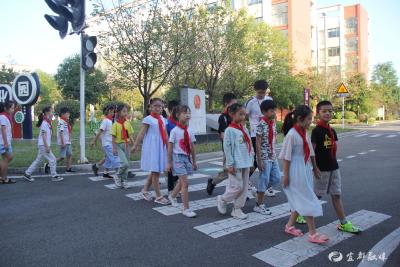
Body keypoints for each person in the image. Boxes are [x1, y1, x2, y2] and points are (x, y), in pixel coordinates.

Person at [279, 105, 329, 244]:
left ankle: (289, 226)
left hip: (304, 168)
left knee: (300, 199)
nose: (310, 122)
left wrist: (315, 167)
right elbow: (286, 157)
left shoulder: (304, 132)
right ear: (300, 119)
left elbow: (311, 152)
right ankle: (313, 234)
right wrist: (286, 175)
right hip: (295, 170)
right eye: (308, 119)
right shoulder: (291, 135)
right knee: (306, 198)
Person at [311, 100, 361, 233]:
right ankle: (299, 214)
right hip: (321, 169)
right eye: (324, 111)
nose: (328, 113)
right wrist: (315, 168)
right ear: (318, 113)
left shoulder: (332, 130)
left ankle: (344, 223)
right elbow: (312, 152)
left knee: (337, 195)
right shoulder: (316, 131)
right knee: (317, 196)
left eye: (330, 111)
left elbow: (333, 148)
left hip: (334, 167)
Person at [216, 103, 253, 220]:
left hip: (246, 162)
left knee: (244, 187)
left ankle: (237, 209)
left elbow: (249, 146)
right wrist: (230, 164)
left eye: (244, 114)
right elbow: (227, 149)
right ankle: (223, 199)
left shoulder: (244, 129)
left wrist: (251, 160)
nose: (243, 117)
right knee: (237, 186)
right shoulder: (229, 130)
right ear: (232, 114)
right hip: (236, 164)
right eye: (240, 114)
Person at [132, 98, 170, 205]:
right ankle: (158, 196)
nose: (158, 108)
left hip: (160, 146)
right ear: (150, 107)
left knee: (155, 170)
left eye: (160, 106)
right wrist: (135, 145)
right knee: (155, 171)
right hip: (152, 147)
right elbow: (141, 134)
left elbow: (165, 134)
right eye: (155, 106)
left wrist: (168, 146)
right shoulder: (148, 119)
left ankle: (144, 190)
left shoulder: (162, 119)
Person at [245, 79, 275, 197]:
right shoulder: (251, 102)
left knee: (269, 159)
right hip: (255, 134)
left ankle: (266, 185)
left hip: (268, 134)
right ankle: (246, 181)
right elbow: (245, 116)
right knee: (257, 161)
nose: (261, 94)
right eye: (259, 92)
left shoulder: (269, 100)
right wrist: (255, 122)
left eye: (263, 92)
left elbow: (272, 116)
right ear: (255, 90)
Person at [167, 105, 198, 218]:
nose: (188, 115)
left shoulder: (190, 130)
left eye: (189, 112)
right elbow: (170, 147)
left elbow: (192, 147)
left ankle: (172, 196)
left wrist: (194, 161)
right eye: (185, 113)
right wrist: (169, 162)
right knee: (185, 183)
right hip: (178, 158)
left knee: (181, 182)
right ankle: (186, 208)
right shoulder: (175, 131)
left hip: (187, 157)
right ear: (178, 115)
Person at [254, 100, 281, 215]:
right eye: (271, 111)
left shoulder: (273, 122)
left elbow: (274, 137)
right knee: (264, 179)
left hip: (272, 155)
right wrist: (259, 160)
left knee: (277, 178)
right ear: (264, 112)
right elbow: (258, 143)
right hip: (264, 157)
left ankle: (260, 190)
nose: (274, 112)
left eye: (274, 110)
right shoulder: (261, 124)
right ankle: (259, 205)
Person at [206, 93, 237, 195]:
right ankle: (213, 181)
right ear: (226, 104)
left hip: (238, 149)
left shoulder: (236, 115)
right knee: (228, 171)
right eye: (233, 104)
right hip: (229, 149)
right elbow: (223, 135)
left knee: (238, 171)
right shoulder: (223, 117)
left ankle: (238, 192)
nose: (235, 106)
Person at [24, 106, 63, 182]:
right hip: (43, 145)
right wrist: (47, 147)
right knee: (53, 159)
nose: (53, 113)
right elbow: (43, 136)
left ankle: (27, 173)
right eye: (52, 111)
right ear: (47, 113)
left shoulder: (47, 122)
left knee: (38, 160)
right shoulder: (45, 123)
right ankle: (54, 175)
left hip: (42, 145)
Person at [90, 104, 120, 179]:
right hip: (107, 144)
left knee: (108, 158)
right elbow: (100, 132)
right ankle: (120, 174)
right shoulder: (106, 121)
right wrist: (93, 141)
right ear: (110, 111)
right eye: (113, 112)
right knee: (115, 157)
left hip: (110, 143)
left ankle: (102, 171)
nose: (114, 113)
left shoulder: (110, 121)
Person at [111, 103, 134, 188]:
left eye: (126, 111)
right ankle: (117, 175)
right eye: (124, 111)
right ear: (119, 113)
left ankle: (124, 181)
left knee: (127, 164)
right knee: (125, 164)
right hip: (119, 145)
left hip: (126, 145)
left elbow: (130, 135)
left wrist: (134, 144)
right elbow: (113, 138)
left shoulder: (127, 123)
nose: (126, 113)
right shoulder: (115, 125)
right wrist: (114, 148)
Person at [0, 101, 16, 184]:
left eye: (13, 108)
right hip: (3, 143)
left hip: (5, 142)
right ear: (5, 108)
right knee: (7, 159)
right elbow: (3, 130)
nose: (13, 110)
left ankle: (3, 177)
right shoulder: (3, 116)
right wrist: (6, 143)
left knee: (7, 159)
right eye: (11, 108)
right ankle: (4, 178)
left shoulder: (6, 116)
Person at [166, 100, 180, 195]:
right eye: (175, 110)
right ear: (170, 111)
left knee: (179, 169)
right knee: (171, 171)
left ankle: (176, 185)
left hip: (180, 149)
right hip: (171, 149)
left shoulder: (180, 122)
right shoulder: (167, 123)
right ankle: (171, 189)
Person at [56, 107, 74, 173]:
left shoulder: (66, 122)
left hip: (68, 142)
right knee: (62, 157)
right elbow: (61, 132)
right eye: (67, 114)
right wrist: (63, 143)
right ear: (63, 114)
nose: (68, 115)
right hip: (63, 142)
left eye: (69, 114)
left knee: (70, 154)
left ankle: (68, 169)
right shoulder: (61, 122)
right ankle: (49, 164)